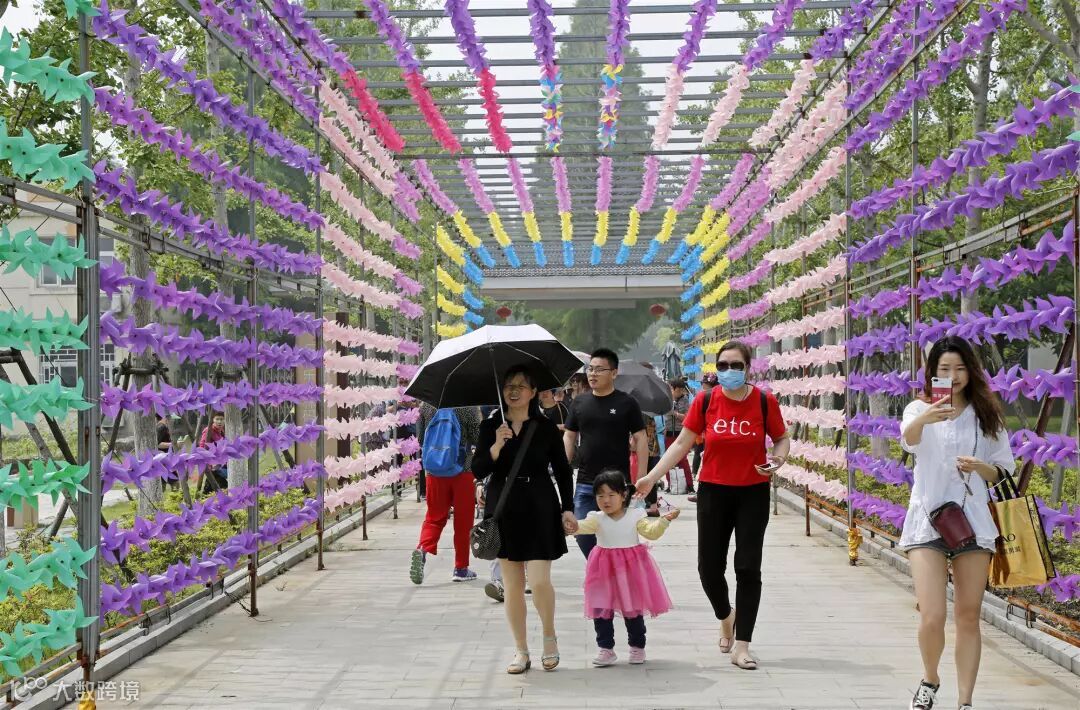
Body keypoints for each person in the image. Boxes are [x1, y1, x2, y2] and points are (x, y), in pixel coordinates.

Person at [636, 341, 789, 671]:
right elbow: (681, 443)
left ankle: (743, 645)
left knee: (748, 567)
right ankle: (726, 616)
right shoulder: (706, 401)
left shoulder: (765, 401)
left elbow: (781, 438)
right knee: (708, 568)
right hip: (714, 493)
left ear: (748, 368)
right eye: (722, 366)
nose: (729, 371)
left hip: (753, 493)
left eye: (736, 365)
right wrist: (651, 477)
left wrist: (778, 459)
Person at [900, 336, 1013, 710]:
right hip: (928, 520)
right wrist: (926, 417)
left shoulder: (986, 415)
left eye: (960, 368)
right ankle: (930, 678)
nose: (953, 376)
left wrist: (981, 467)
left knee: (968, 615)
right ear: (932, 372)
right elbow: (908, 440)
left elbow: (1003, 469)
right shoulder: (918, 408)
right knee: (932, 615)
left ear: (971, 371)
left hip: (973, 522)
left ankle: (965, 702)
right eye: (945, 369)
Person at [472, 365, 576, 674]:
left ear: (533, 392)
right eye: (508, 386)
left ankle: (549, 636)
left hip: (540, 504)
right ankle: (521, 649)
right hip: (504, 507)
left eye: (520, 385)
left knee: (540, 581)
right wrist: (496, 446)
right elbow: (478, 468)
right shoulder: (491, 426)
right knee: (512, 585)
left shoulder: (545, 427)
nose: (513, 391)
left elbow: (562, 470)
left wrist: (567, 508)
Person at [570, 470, 678, 667]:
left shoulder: (635, 515)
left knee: (633, 608)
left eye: (611, 494)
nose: (606, 500)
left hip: (630, 569)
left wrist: (664, 521)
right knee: (601, 608)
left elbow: (651, 533)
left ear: (623, 495)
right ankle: (605, 648)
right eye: (600, 495)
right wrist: (569, 525)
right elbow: (581, 526)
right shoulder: (596, 517)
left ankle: (637, 646)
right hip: (602, 569)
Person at [563, 348, 648, 559]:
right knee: (581, 532)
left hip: (617, 484)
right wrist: (563, 468)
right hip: (586, 482)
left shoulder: (627, 403)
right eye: (590, 369)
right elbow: (569, 437)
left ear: (614, 373)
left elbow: (641, 438)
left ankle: (611, 570)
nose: (593, 374)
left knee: (616, 536)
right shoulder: (579, 402)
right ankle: (600, 567)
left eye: (599, 369)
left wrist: (642, 477)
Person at [410, 404, 482, 584]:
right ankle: (461, 569)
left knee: (434, 517)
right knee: (463, 521)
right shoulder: (469, 406)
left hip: (435, 470)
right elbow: (477, 437)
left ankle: (422, 549)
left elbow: (421, 438)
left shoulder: (426, 406)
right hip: (463, 469)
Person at [688, 373, 718, 503]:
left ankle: (705, 493)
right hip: (705, 434)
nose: (702, 386)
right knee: (703, 460)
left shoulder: (711, 398)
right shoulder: (702, 398)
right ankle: (701, 492)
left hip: (714, 437)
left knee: (709, 463)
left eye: (703, 384)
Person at [664, 379, 695, 496]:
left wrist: (675, 413)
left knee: (682, 460)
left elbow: (687, 417)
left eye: (682, 390)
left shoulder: (685, 400)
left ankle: (690, 485)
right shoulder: (667, 399)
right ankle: (671, 484)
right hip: (668, 433)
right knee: (668, 460)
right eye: (677, 390)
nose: (680, 392)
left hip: (681, 433)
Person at [198, 412, 228, 493]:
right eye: (217, 419)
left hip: (221, 463)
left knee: (213, 486)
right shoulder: (208, 430)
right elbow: (202, 446)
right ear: (213, 420)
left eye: (221, 419)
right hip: (213, 464)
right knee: (222, 486)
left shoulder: (222, 431)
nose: (219, 422)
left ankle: (204, 495)